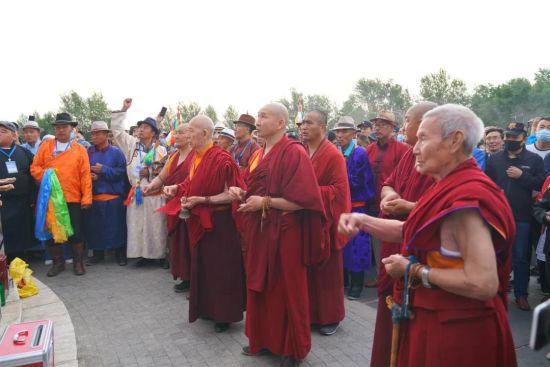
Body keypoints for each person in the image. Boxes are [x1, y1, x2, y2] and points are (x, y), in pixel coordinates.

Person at [340, 104, 517, 367]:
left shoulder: (467, 199)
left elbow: (483, 283)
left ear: (455, 140)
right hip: (435, 319)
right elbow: (412, 231)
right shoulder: (445, 186)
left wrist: (413, 270)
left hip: (459, 333)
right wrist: (364, 221)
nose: (414, 148)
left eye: (423, 138)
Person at [229, 103, 325, 367]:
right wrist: (244, 194)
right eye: (258, 116)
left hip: (285, 234)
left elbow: (306, 201)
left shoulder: (294, 153)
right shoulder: (259, 153)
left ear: (281, 123)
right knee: (260, 288)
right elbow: (255, 188)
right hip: (260, 233)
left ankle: (292, 349)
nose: (257, 121)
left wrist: (265, 203)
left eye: (263, 116)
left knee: (287, 291)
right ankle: (262, 339)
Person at [163, 115, 245, 333]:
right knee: (204, 268)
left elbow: (233, 194)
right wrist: (177, 189)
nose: (187, 135)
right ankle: (208, 309)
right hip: (200, 222)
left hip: (220, 223)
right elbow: (192, 182)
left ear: (205, 134)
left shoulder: (222, 159)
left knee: (221, 269)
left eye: (191, 131)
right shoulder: (197, 157)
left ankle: (224, 315)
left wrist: (204, 200)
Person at [371, 101, 437, 367]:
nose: (404, 126)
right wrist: (391, 196)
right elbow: (388, 184)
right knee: (388, 311)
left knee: (413, 319)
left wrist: (409, 207)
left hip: (418, 251)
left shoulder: (440, 161)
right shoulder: (411, 155)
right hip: (394, 243)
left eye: (408, 120)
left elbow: (447, 209)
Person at [301, 110, 351, 336]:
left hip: (327, 222)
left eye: (309, 123)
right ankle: (311, 314)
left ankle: (331, 316)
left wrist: (306, 193)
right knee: (308, 273)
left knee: (328, 274)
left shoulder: (333, 155)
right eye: (302, 123)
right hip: (306, 220)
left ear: (322, 126)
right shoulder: (302, 152)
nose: (303, 127)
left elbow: (339, 193)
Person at [486, 122, 545, 311]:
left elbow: (542, 184)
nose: (510, 140)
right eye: (508, 136)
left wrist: (522, 176)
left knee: (520, 257)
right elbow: (485, 182)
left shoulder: (534, 159)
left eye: (514, 137)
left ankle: (521, 294)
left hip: (522, 216)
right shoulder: (495, 159)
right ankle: (496, 292)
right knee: (496, 255)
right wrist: (495, 191)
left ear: (524, 139)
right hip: (498, 215)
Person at [31, 112, 92, 276]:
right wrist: (48, 175)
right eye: (58, 127)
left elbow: (85, 175)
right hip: (51, 198)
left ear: (72, 128)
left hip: (73, 197)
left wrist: (87, 197)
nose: (61, 130)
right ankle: (58, 263)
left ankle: (78, 263)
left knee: (76, 232)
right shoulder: (46, 146)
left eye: (64, 127)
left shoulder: (80, 149)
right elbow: (34, 168)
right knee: (52, 232)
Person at [110, 98, 168, 267]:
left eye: (145, 128)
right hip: (136, 193)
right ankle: (142, 255)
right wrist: (123, 109)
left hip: (155, 194)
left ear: (153, 133)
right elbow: (118, 132)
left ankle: (159, 256)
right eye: (140, 127)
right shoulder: (131, 145)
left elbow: (164, 171)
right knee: (138, 226)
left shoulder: (161, 149)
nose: (141, 130)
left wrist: (149, 171)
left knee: (156, 226)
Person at [148, 123, 195, 292]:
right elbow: (162, 177)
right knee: (177, 241)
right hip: (171, 203)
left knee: (190, 242)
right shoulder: (173, 156)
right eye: (176, 133)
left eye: (180, 133)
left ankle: (195, 279)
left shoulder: (196, 156)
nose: (176, 136)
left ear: (190, 136)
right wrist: (151, 185)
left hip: (189, 205)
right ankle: (184, 276)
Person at [333, 116, 375, 300]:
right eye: (338, 132)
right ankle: (345, 282)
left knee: (356, 247)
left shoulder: (359, 153)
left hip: (356, 206)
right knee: (342, 246)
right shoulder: (336, 151)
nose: (340, 135)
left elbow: (360, 181)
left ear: (353, 134)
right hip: (341, 206)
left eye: (344, 131)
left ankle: (357, 285)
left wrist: (338, 182)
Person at [85, 121, 128, 266]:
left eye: (97, 133)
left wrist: (104, 170)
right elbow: (83, 170)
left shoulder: (116, 152)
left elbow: (122, 173)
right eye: (93, 133)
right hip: (95, 196)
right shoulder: (89, 151)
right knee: (95, 228)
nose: (94, 136)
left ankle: (120, 254)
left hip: (113, 197)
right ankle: (98, 254)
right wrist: (91, 176)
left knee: (116, 228)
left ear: (106, 135)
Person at [0, 121, 37, 260]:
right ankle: (5, 261)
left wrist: (33, 198)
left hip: (23, 202)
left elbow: (34, 174)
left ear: (14, 135)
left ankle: (21, 260)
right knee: (6, 233)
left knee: (22, 232)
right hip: (3, 203)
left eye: (3, 131)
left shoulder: (24, 152)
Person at [365, 111, 409, 216]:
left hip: (390, 204)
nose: (377, 128)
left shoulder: (402, 150)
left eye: (382, 125)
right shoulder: (370, 149)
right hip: (370, 202)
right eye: (376, 125)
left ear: (392, 127)